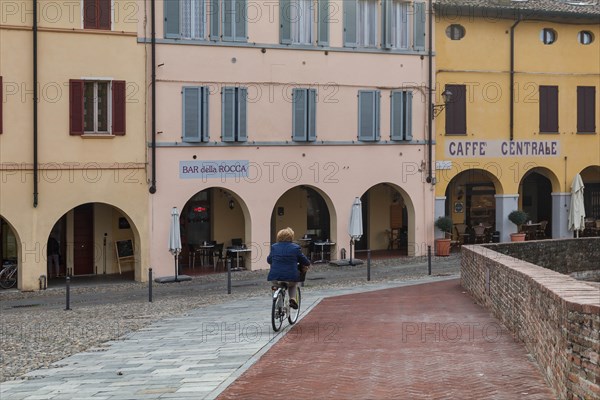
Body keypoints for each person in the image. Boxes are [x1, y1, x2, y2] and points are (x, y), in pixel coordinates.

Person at [267, 227, 310, 309]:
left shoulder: (274, 247)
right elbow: (305, 261)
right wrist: (306, 264)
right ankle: (292, 299)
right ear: (291, 237)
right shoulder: (295, 247)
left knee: (276, 285)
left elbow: (269, 260)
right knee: (293, 285)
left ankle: (277, 306)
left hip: (275, 277)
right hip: (291, 277)